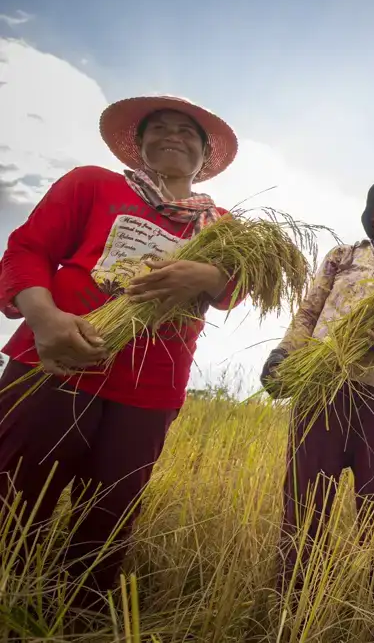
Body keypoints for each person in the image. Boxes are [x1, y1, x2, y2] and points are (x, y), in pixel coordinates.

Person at [0, 95, 241, 614]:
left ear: (204, 156)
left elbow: (238, 286)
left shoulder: (221, 226)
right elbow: (27, 250)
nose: (172, 136)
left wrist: (209, 273)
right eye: (160, 128)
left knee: (108, 517)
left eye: (188, 132)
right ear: (139, 144)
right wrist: (45, 320)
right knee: (14, 498)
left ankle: (78, 615)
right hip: (55, 363)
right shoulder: (93, 184)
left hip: (149, 388)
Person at [260, 173, 374, 601]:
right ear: (373, 212)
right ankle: (294, 605)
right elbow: (309, 312)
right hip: (323, 386)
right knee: (305, 499)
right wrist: (284, 354)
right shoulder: (343, 256)